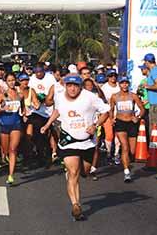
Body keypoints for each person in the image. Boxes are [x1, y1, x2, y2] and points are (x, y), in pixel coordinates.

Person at [40, 75, 110, 221]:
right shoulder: (59, 96)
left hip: (87, 142)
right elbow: (57, 110)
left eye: (75, 86)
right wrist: (47, 125)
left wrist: (95, 125)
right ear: (65, 85)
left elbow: (106, 111)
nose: (72, 88)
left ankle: (83, 173)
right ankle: (76, 205)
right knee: (73, 172)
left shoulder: (90, 97)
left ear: (80, 86)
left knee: (84, 170)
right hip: (68, 140)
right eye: (69, 85)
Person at [109, 76, 145, 182]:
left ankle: (125, 159)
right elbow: (111, 109)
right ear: (119, 84)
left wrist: (137, 117)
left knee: (132, 150)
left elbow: (142, 109)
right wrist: (111, 119)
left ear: (128, 84)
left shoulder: (133, 96)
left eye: (126, 83)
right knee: (125, 147)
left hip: (131, 123)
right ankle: (126, 172)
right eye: (122, 83)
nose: (124, 85)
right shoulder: (114, 97)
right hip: (120, 123)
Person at [0, 73, 23, 185]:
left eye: (12, 80)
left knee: (13, 149)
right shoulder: (2, 95)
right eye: (9, 80)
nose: (11, 82)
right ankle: (4, 156)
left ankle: (11, 175)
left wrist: (24, 114)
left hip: (16, 123)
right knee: (6, 150)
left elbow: (23, 108)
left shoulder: (19, 95)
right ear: (6, 82)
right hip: (4, 124)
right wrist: (2, 108)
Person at [28, 63, 56, 166]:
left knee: (48, 135)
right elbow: (32, 92)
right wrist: (37, 100)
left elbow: (53, 91)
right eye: (36, 72)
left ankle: (51, 154)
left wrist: (46, 99)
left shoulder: (50, 78)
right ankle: (41, 157)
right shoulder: (32, 79)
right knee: (38, 134)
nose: (38, 74)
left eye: (40, 71)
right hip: (37, 111)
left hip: (49, 110)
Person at [18, 73, 40, 165]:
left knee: (29, 136)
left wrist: (37, 104)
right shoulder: (16, 90)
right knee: (20, 137)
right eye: (23, 80)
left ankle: (28, 156)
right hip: (17, 117)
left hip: (29, 116)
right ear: (19, 81)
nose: (25, 82)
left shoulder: (31, 90)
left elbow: (35, 102)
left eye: (26, 80)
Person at [101, 69, 121, 164]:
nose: (113, 78)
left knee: (118, 135)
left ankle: (116, 154)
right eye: (111, 75)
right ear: (107, 77)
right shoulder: (104, 88)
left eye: (114, 75)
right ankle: (109, 154)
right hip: (107, 114)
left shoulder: (119, 86)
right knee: (109, 135)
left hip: (119, 114)